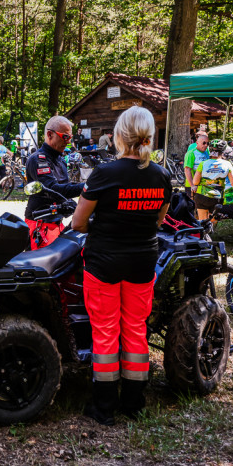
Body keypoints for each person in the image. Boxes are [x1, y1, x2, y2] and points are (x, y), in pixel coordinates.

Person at [70, 106, 171, 425]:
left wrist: (98, 227)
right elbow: (159, 219)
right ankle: (134, 403)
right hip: (142, 262)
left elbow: (77, 221)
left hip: (104, 263)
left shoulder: (104, 174)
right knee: (135, 330)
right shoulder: (161, 175)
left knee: (104, 331)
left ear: (118, 136)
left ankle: (103, 407)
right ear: (149, 137)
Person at [24, 115, 84, 249]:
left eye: (70, 137)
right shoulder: (38, 160)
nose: (68, 142)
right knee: (45, 268)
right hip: (40, 224)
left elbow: (64, 189)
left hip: (57, 223)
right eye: (65, 137)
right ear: (50, 134)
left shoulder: (60, 160)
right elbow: (53, 189)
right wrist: (87, 186)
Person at [191, 139, 233, 221]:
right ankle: (210, 231)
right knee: (213, 220)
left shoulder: (203, 164)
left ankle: (203, 233)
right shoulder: (227, 164)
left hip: (202, 196)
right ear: (223, 151)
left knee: (202, 221)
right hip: (217, 197)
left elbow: (195, 182)